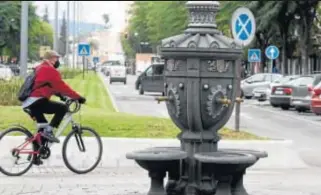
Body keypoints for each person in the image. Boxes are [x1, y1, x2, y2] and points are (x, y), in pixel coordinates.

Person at [22, 50, 86, 143]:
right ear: (51, 59)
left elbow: (46, 86)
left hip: (28, 102)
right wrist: (78, 97)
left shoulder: (40, 68)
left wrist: (60, 95)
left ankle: (37, 153)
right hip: (36, 101)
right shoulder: (50, 70)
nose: (58, 61)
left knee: (42, 130)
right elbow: (63, 87)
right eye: (57, 58)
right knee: (62, 108)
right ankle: (49, 132)